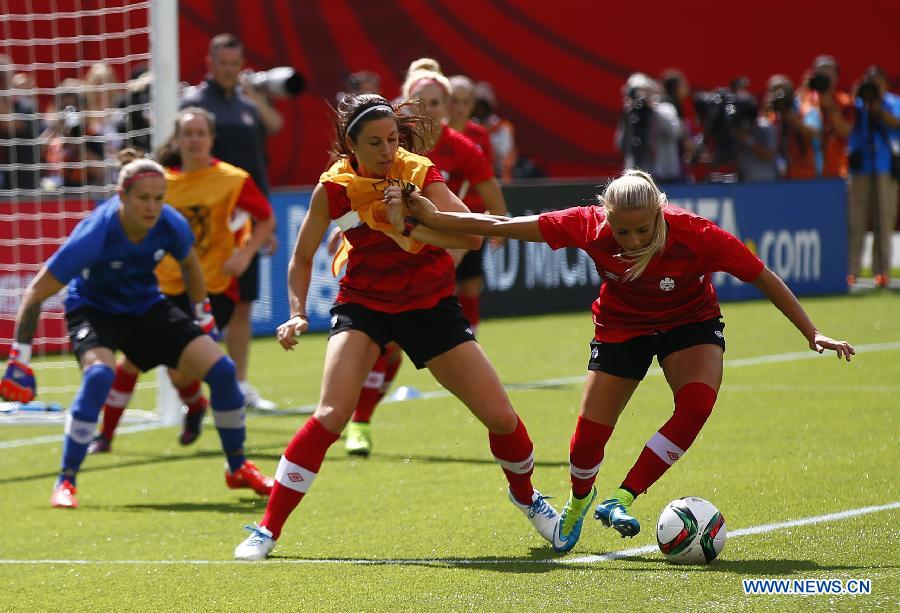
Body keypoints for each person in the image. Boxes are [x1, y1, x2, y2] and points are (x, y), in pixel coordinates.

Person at [395, 168, 854, 552]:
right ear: (606, 218)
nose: (633, 240)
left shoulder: (698, 234)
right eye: (622, 231)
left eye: (643, 229)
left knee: (695, 406)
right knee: (584, 445)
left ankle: (621, 497)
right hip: (621, 329)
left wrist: (811, 332)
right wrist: (435, 217)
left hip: (689, 324)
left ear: (660, 212)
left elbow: (763, 277)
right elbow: (502, 225)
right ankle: (580, 497)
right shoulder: (587, 224)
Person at [233, 94, 560, 560]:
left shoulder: (419, 172)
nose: (388, 150)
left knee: (500, 416)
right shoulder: (333, 188)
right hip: (364, 305)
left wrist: (414, 219)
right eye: (375, 142)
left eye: (392, 139)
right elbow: (302, 255)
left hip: (430, 305)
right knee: (330, 414)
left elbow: (471, 235)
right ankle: (268, 529)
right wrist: (296, 311)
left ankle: (527, 497)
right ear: (351, 144)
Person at [0, 152, 274, 509]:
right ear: (121, 196)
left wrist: (202, 315)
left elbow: (190, 265)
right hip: (94, 312)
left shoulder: (170, 224)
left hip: (147, 308)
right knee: (100, 377)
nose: (151, 207)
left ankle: (237, 467)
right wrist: (19, 357)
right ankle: (66, 480)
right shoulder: (95, 233)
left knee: (222, 372)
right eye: (142, 198)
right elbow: (36, 291)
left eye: (159, 198)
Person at [341, 60, 509, 458]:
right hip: (395, 249)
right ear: (404, 105)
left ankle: (467, 361)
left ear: (448, 107)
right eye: (422, 101)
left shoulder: (464, 147)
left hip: (451, 242)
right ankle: (361, 422)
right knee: (393, 340)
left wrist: (498, 230)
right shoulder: (390, 146)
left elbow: (491, 194)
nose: (430, 109)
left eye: (437, 102)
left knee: (460, 297)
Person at [88, 108, 276, 453]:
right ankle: (106, 436)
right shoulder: (162, 182)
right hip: (161, 287)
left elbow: (266, 218)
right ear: (176, 139)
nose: (194, 139)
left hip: (212, 289)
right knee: (133, 360)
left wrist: (245, 254)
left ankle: (196, 406)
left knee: (180, 370)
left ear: (211, 138)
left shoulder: (232, 179)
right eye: (187, 133)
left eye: (200, 133)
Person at [181, 33, 281, 410]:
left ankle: (238, 385)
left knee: (243, 304)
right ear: (210, 62)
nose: (228, 69)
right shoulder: (192, 103)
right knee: (197, 300)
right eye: (222, 62)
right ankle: (189, 387)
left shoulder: (246, 105)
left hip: (245, 216)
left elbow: (265, 148)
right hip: (206, 219)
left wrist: (263, 218)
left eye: (234, 64)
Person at [847, 66, 900, 288]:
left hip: (885, 167)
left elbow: (897, 123)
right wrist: (857, 99)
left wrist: (878, 109)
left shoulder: (893, 102)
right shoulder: (859, 103)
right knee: (855, 221)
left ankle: (882, 271)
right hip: (861, 169)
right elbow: (847, 125)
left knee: (884, 220)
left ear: (884, 85)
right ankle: (851, 271)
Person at [616, 73, 684, 183]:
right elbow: (621, 145)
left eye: (643, 91)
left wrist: (653, 109)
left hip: (666, 178)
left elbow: (675, 132)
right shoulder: (631, 113)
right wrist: (627, 117)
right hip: (637, 179)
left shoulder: (665, 109)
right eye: (636, 92)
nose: (640, 96)